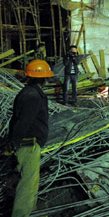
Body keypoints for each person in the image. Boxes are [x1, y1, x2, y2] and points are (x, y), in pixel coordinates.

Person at [8, 59, 53, 217]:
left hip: (28, 145)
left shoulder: (28, 92)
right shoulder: (33, 96)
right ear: (44, 79)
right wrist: (14, 145)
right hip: (28, 146)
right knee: (27, 186)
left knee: (31, 183)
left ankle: (30, 212)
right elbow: (23, 122)